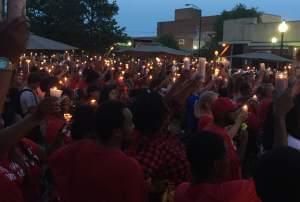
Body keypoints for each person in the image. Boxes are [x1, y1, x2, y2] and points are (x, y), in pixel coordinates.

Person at [49, 101, 146, 202]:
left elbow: (53, 164)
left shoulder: (76, 148)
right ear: (117, 132)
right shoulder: (129, 168)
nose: (134, 126)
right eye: (130, 124)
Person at [130, 92, 190, 201]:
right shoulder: (154, 148)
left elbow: (175, 100)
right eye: (164, 107)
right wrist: (154, 188)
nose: (168, 110)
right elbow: (129, 176)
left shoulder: (160, 132)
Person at [175, 132, 260, 202]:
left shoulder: (180, 191)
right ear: (217, 165)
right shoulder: (237, 192)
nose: (229, 159)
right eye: (226, 155)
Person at [203, 97, 248, 181]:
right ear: (222, 115)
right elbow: (236, 161)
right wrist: (244, 140)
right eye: (232, 111)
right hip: (227, 186)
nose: (235, 114)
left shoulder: (214, 129)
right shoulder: (218, 136)